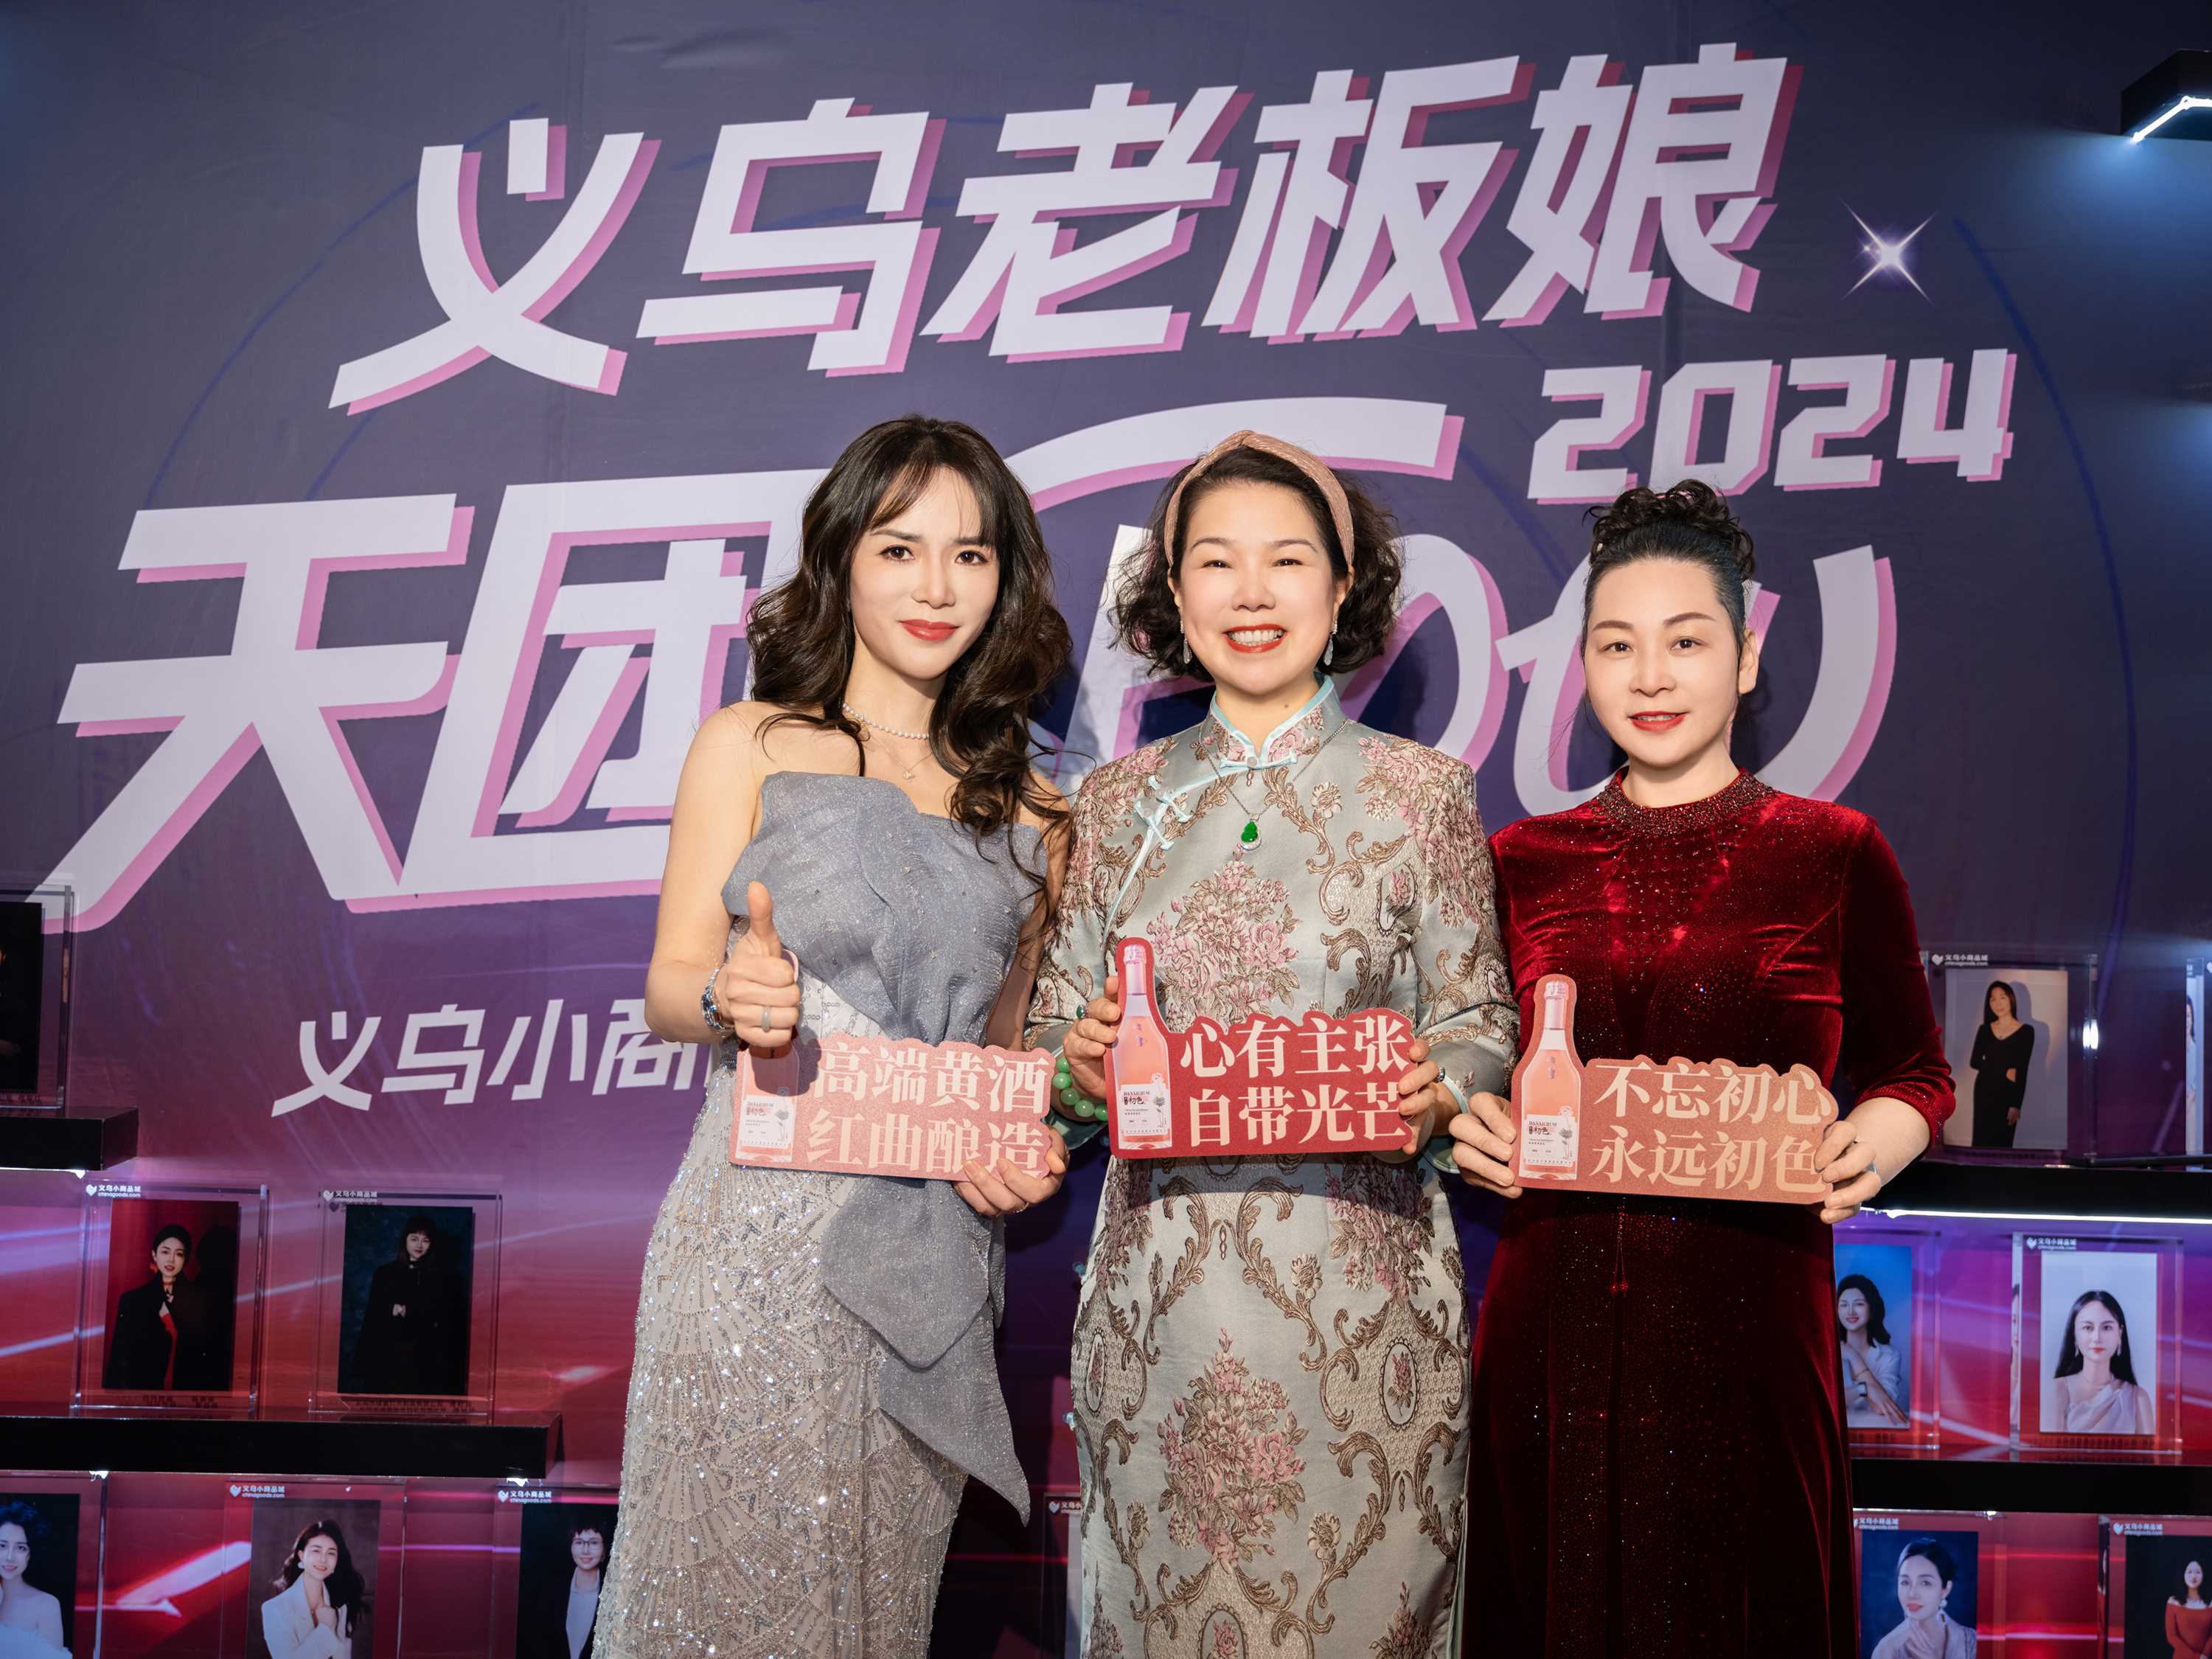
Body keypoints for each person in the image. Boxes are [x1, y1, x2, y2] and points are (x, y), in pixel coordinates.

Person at [594, 415, 1074, 1659]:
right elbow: (669, 985)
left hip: (929, 1267)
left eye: (970, 555)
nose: (935, 586)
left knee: (874, 1610)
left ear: (1005, 581)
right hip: (753, 1246)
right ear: (842, 560)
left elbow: (1007, 1061)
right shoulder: (751, 742)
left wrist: (1031, 1138)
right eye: (899, 548)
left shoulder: (1035, 809)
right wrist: (732, 998)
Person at [1032, 431, 1518, 1656]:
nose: (1252, 593)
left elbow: (1479, 1022)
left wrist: (1439, 1092)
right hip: (1161, 1314)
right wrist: (1076, 1070)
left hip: (1360, 1317)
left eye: (1287, 560)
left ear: (1342, 589)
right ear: (1174, 594)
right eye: (1217, 562)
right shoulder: (1117, 804)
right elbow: (1048, 1042)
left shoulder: (1422, 793)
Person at [1449, 480, 1954, 1655]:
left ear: (1746, 656)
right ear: (1583, 664)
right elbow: (1477, 1061)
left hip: (1754, 1331)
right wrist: (1470, 1125)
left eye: (1686, 641)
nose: (1651, 676)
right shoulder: (1520, 858)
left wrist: (1873, 1140)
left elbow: (1918, 1069)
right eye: (1617, 645)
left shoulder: (1835, 851)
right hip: (1553, 1334)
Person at [348, 1213, 464, 1396]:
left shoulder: (442, 1277)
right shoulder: (384, 1274)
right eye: (414, 1239)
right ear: (405, 1240)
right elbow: (372, 1319)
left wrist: (410, 1311)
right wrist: (390, 1309)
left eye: (425, 1241)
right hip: (388, 1355)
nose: (419, 1245)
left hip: (424, 1357)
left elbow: (445, 1318)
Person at [104, 1223, 223, 1391]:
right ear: (154, 1255)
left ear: (186, 1260)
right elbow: (119, 1361)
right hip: (143, 1394)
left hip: (186, 1394)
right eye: (165, 1252)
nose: (171, 1260)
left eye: (179, 1254)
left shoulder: (202, 1301)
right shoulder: (132, 1300)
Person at [2051, 1288, 2154, 1433]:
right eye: (2088, 1328)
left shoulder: (2138, 1399)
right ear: (2074, 1335)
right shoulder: (2057, 1390)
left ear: (2120, 1334)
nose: (2097, 1338)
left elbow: (2149, 1448)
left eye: (2106, 1327)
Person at [259, 1520, 362, 1659]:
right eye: (316, 1551)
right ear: (301, 1556)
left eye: (331, 1553)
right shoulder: (275, 1609)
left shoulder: (341, 1606)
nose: (323, 1559)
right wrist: (325, 1628)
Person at [1868, 1537, 1976, 1659]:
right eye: (1905, 1582)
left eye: (1925, 1583)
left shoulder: (1972, 1642)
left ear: (1946, 1589)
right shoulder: (1887, 1648)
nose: (1912, 1593)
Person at [519, 1520, 608, 1659]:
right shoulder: (552, 1591)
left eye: (594, 1543)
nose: (586, 1550)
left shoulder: (613, 1592)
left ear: (604, 1548)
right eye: (579, 1542)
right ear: (571, 1546)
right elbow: (537, 1642)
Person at [1837, 1273, 1909, 1430]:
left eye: (1859, 1304)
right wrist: (1864, 1389)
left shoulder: (1889, 1356)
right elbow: (1829, 1401)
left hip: (1875, 1431)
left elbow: (1882, 1408)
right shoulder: (1829, 1352)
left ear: (1872, 1309)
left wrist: (1854, 1358)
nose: (1850, 1311)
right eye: (1843, 1305)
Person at [1967, 981, 2032, 1148]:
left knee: (2004, 1142)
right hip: (1984, 1090)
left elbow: (2022, 1071)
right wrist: (2004, 1070)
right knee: (1981, 1140)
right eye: (1993, 999)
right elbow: (1975, 1062)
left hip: (2008, 1093)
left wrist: (2016, 1105)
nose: (1998, 1004)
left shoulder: (2026, 1031)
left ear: (2011, 999)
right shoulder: (1984, 1029)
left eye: (2002, 997)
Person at [0, 1503, 68, 1658]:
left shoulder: (47, 1605)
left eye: (21, 1548)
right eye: (2, 1546)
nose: (9, 1557)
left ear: (30, 1554)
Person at [2166, 1558, 2211, 1659]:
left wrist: (2205, 1656)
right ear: (2183, 1574)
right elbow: (2171, 1636)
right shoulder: (2173, 1601)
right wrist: (2196, 1657)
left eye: (2198, 1572)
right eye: (2189, 1572)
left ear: (2204, 1574)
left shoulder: (2211, 1603)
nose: (2193, 1576)